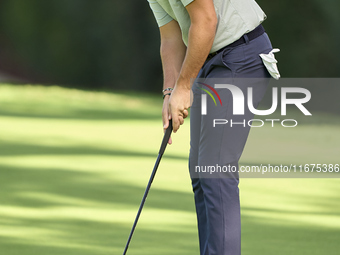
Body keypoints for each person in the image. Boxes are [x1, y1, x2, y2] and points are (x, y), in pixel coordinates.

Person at [147, 0, 278, 254]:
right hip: (209, 61)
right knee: (200, 170)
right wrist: (170, 91)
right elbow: (171, 38)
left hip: (241, 55)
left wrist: (184, 88)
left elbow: (206, 21)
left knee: (214, 171)